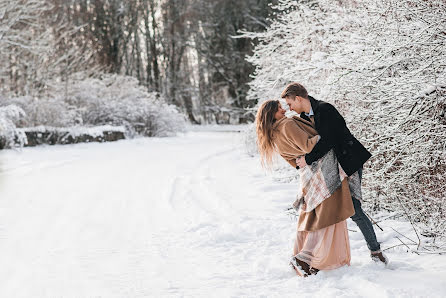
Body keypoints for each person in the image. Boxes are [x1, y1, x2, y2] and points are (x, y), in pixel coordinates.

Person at [280, 82, 388, 265]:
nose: (289, 109)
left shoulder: (325, 109)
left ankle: (376, 252)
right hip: (332, 168)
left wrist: (308, 159)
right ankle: (315, 255)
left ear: (298, 98)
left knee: (354, 209)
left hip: (348, 161)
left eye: (290, 104)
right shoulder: (305, 116)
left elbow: (328, 140)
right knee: (337, 208)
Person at [255, 99, 356, 276]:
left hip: (307, 176)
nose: (283, 109)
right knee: (326, 215)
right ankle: (305, 257)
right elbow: (309, 145)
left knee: (311, 216)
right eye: (279, 108)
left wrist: (302, 161)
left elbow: (293, 161)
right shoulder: (286, 125)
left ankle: (303, 255)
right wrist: (325, 135)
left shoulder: (273, 134)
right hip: (321, 172)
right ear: (271, 113)